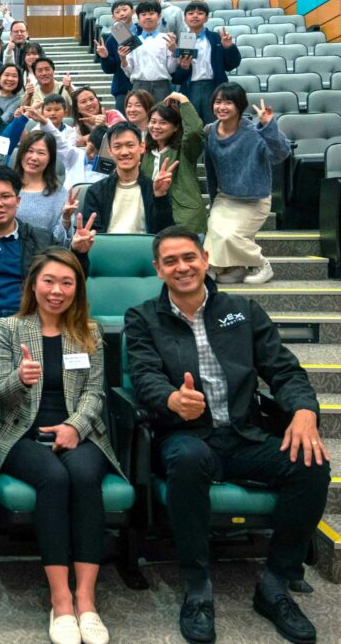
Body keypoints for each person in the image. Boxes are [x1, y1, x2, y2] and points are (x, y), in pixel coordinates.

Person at [125, 226, 330, 644]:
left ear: (204, 258)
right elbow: (144, 376)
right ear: (157, 269)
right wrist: (170, 400)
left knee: (312, 464)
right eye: (170, 261)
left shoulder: (243, 310)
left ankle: (274, 584)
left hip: (243, 432)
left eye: (188, 257)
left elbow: (284, 370)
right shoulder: (143, 317)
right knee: (187, 459)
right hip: (185, 435)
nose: (181, 267)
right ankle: (198, 588)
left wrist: (305, 411)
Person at [0, 249, 124, 644]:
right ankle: (61, 599)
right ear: (34, 284)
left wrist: (74, 427)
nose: (57, 290)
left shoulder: (89, 331)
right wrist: (20, 379)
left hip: (78, 432)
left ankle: (87, 598)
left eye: (67, 283)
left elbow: (96, 392)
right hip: (21, 433)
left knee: (82, 476)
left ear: (77, 289)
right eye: (49, 281)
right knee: (53, 478)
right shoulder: (9, 329)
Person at [0, 166, 95, 346]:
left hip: (30, 317)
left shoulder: (40, 237)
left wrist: (79, 253)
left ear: (18, 201)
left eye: (6, 196)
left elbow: (72, 278)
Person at [203, 84, 288, 285]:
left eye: (228, 102)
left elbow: (280, 154)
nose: (221, 107)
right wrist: (214, 199)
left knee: (229, 236)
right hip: (226, 197)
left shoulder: (255, 132)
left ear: (240, 106)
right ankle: (237, 268)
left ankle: (261, 263)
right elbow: (210, 170)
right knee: (215, 233)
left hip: (254, 199)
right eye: (218, 102)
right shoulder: (209, 131)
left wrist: (269, 127)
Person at [80, 122, 176, 235]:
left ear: (141, 147)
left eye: (130, 145)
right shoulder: (96, 191)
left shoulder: (154, 189)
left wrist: (160, 197)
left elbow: (164, 234)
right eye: (117, 146)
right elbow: (93, 237)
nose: (124, 152)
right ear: (110, 151)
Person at [142, 94, 207, 234]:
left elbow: (195, 132)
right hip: (151, 216)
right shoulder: (144, 153)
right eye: (153, 122)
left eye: (163, 122)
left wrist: (184, 100)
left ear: (176, 127)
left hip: (183, 216)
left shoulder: (185, 150)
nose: (156, 127)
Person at [170, 1, 241, 124]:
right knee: (192, 128)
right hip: (190, 88)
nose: (195, 16)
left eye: (200, 13)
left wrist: (229, 47)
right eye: (191, 13)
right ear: (185, 19)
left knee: (215, 125)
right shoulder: (180, 41)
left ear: (206, 18)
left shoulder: (216, 38)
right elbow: (176, 78)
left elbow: (231, 65)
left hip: (214, 87)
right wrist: (184, 67)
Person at [12, 130, 75, 244]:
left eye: (41, 153)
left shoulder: (59, 193)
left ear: (50, 158)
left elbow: (61, 244)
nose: (34, 157)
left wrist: (65, 220)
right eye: (29, 151)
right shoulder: (7, 186)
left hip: (43, 256)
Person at [121, 0, 179, 102]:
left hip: (162, 85)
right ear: (138, 19)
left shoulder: (166, 39)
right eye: (143, 14)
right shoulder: (133, 41)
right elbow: (129, 71)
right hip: (139, 85)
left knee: (163, 116)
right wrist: (123, 59)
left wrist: (174, 52)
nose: (148, 17)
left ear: (159, 17)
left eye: (151, 14)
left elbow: (171, 69)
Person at [94, 0, 135, 113]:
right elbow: (109, 69)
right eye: (117, 12)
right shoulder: (113, 38)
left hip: (143, 85)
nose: (122, 13)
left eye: (125, 9)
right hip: (123, 88)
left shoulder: (142, 32)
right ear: (113, 17)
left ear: (133, 11)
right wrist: (105, 57)